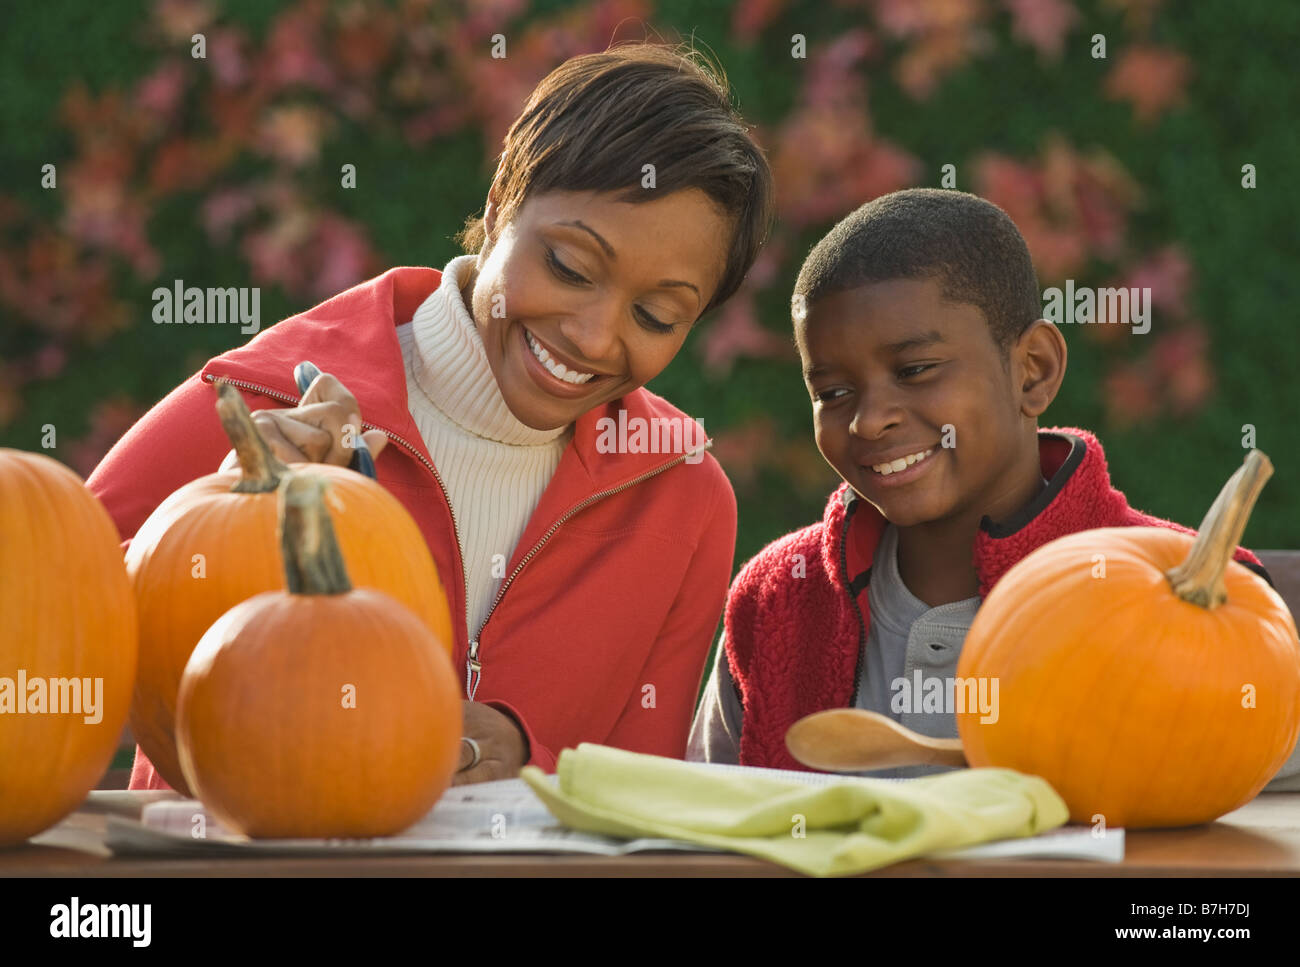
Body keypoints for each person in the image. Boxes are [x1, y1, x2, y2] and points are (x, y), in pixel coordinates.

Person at [88, 43, 775, 788]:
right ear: (500, 197)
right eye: (570, 268)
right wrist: (223, 515)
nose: (593, 335)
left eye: (655, 314)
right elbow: (43, 673)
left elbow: (637, 802)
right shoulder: (259, 406)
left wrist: (526, 756)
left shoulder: (683, 498)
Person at [687, 188, 1295, 788]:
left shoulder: (1198, 598)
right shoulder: (776, 601)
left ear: (1034, 369)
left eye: (915, 370)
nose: (868, 420)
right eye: (833, 393)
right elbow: (711, 823)